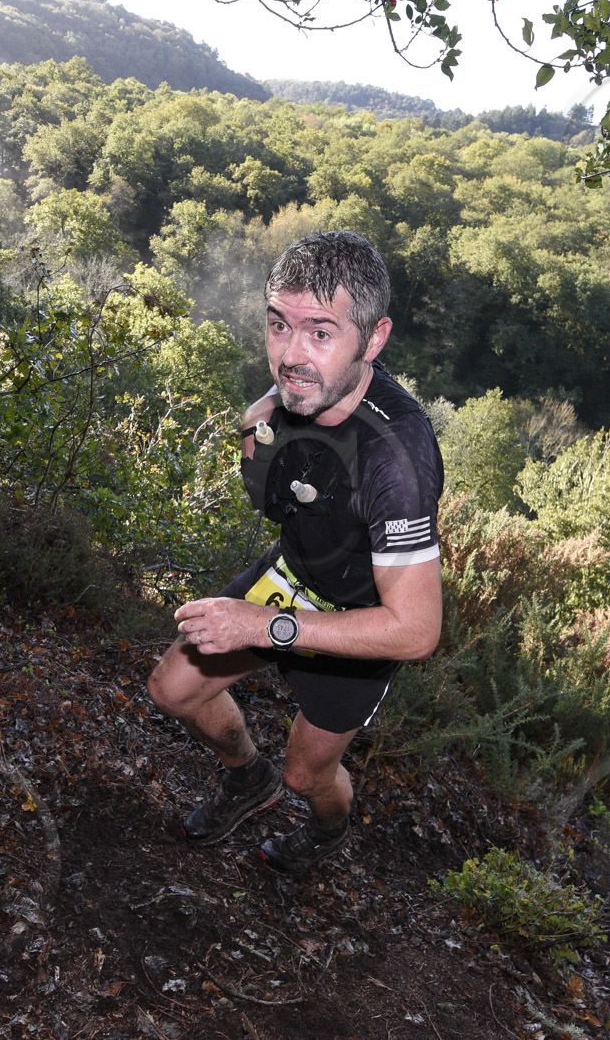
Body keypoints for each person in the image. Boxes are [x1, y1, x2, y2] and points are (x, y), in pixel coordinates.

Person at [146, 230, 445, 875]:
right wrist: (255, 434)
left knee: (306, 775)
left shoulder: (396, 460)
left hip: (361, 622)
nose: (291, 356)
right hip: (294, 575)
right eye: (279, 325)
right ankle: (245, 777)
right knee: (172, 689)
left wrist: (265, 626)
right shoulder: (300, 392)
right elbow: (268, 431)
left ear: (374, 339)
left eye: (320, 332)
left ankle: (329, 829)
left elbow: (417, 630)